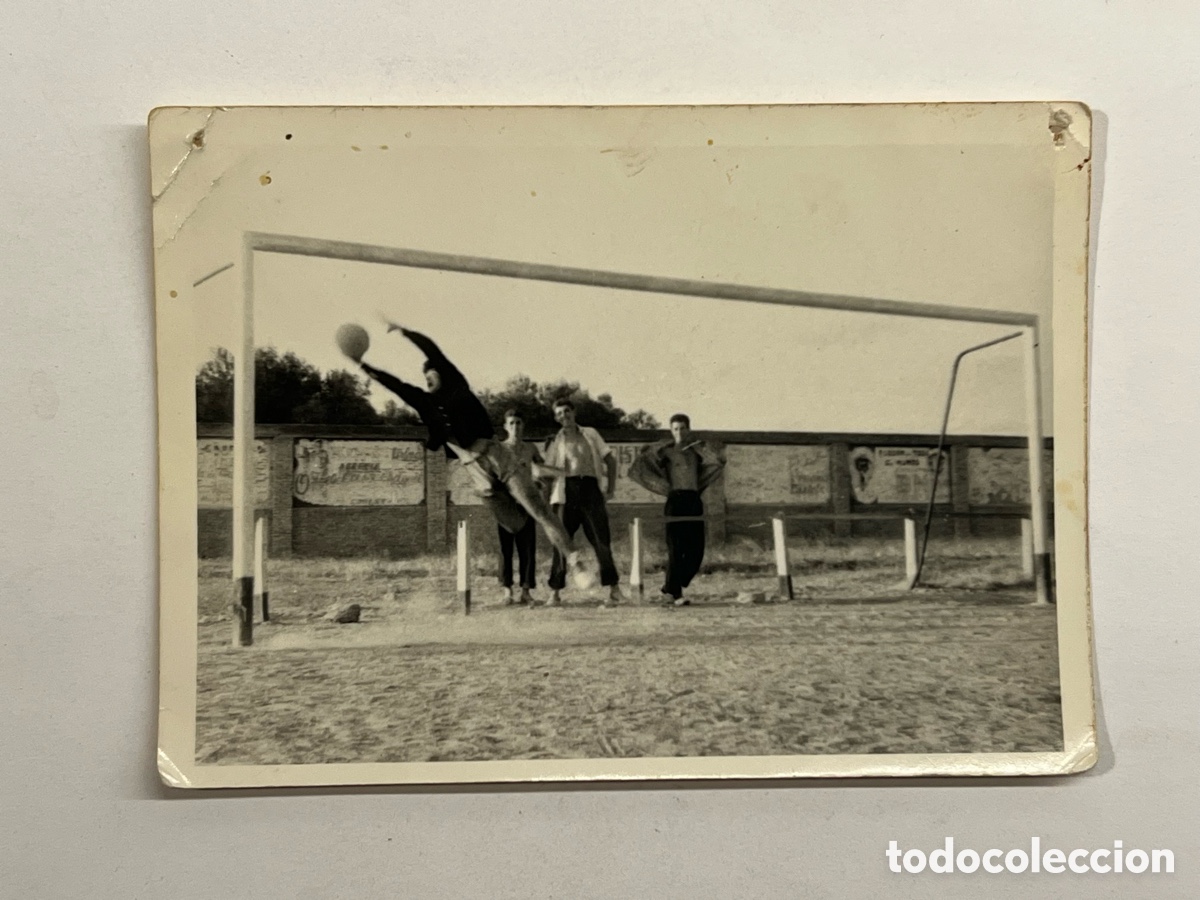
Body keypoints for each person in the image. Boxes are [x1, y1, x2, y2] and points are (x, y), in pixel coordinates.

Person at [346, 323, 588, 582]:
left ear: (444, 375)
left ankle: (576, 562)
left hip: (497, 455)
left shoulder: (457, 386)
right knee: (517, 525)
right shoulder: (424, 403)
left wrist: (406, 333)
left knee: (539, 511)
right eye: (425, 375)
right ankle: (525, 509)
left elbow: (433, 351)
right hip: (475, 468)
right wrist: (363, 366)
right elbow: (395, 385)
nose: (428, 376)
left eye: (433, 372)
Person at [627, 413, 726, 607]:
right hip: (675, 500)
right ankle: (672, 592)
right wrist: (661, 445)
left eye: (682, 428)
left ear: (688, 430)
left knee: (697, 548)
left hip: (693, 499)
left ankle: (672, 586)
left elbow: (717, 462)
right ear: (671, 431)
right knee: (675, 548)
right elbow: (645, 456)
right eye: (675, 429)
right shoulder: (666, 452)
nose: (679, 432)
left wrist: (698, 447)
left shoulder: (696, 452)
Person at [542, 398, 627, 608]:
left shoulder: (591, 433)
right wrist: (545, 500)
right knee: (561, 543)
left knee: (602, 541)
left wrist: (611, 489)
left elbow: (610, 460)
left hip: (590, 490)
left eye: (567, 411)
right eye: (560, 413)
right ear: (556, 417)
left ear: (574, 412)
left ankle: (614, 590)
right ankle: (555, 593)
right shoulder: (556, 441)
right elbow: (548, 472)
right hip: (565, 493)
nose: (564, 416)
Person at [495, 409, 549, 605]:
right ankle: (507, 591)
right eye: (511, 423)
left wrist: (539, 482)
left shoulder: (531, 448)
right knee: (505, 549)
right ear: (505, 427)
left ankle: (526, 591)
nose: (515, 427)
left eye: (518, 422)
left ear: (523, 425)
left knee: (527, 549)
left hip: (527, 504)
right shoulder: (499, 449)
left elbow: (542, 470)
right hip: (506, 504)